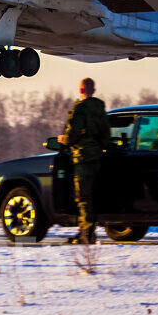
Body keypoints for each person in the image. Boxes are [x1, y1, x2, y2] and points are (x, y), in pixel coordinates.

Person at [59, 77, 110, 244]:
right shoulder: (100, 107)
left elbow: (72, 132)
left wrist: (64, 140)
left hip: (82, 157)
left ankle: (86, 234)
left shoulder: (80, 108)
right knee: (92, 195)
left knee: (83, 197)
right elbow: (105, 133)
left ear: (80, 90)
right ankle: (86, 231)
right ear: (93, 90)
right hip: (97, 156)